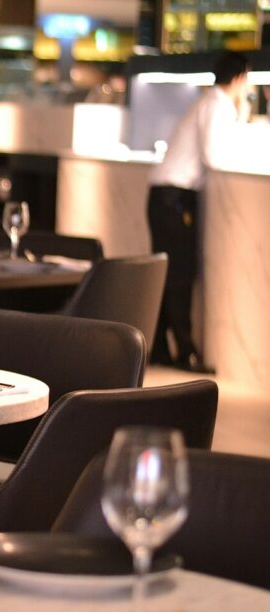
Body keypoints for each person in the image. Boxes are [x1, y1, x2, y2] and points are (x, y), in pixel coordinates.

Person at [146, 50, 250, 373]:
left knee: (168, 274)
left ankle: (161, 347)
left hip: (164, 197)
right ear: (239, 78)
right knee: (179, 275)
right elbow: (216, 157)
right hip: (174, 199)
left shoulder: (210, 104)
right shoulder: (217, 106)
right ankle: (186, 352)